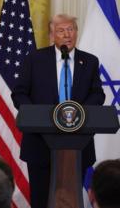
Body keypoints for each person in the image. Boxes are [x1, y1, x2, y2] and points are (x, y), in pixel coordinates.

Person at [11, 14, 105, 208]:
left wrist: (79, 115)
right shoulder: (35, 59)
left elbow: (98, 94)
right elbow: (19, 93)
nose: (67, 34)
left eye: (71, 29)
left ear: (76, 33)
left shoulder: (89, 61)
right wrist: (36, 116)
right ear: (52, 35)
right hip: (40, 143)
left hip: (79, 143)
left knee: (72, 199)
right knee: (41, 199)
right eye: (61, 30)